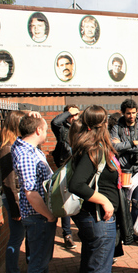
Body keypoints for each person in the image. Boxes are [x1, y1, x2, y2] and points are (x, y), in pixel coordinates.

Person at [69, 105, 120, 272]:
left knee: (91, 265)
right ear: (104, 124)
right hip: (98, 219)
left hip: (95, 219)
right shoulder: (93, 149)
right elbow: (76, 184)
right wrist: (105, 201)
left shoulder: (90, 146)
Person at [11, 114, 57, 273]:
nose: (47, 133)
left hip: (38, 216)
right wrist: (49, 215)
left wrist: (29, 115)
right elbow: (31, 193)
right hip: (39, 217)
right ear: (38, 130)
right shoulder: (27, 155)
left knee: (40, 260)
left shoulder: (24, 146)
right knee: (38, 263)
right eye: (45, 129)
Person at [110, 98, 138, 242]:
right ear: (123, 113)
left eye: (133, 113)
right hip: (124, 170)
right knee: (123, 202)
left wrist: (124, 145)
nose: (131, 116)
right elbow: (114, 147)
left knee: (137, 202)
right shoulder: (117, 127)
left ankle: (134, 232)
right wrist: (133, 143)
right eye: (128, 113)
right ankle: (123, 232)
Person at [0, 110, 26, 273]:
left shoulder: (14, 144)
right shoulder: (7, 148)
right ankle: (12, 270)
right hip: (15, 197)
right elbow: (8, 181)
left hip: (19, 196)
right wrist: (16, 208)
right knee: (16, 238)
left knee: (19, 236)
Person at [51, 105, 80, 249]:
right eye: (71, 114)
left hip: (79, 167)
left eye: (76, 114)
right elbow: (54, 122)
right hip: (65, 167)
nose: (74, 117)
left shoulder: (81, 128)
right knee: (66, 199)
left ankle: (82, 229)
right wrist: (69, 112)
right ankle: (67, 234)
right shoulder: (61, 128)